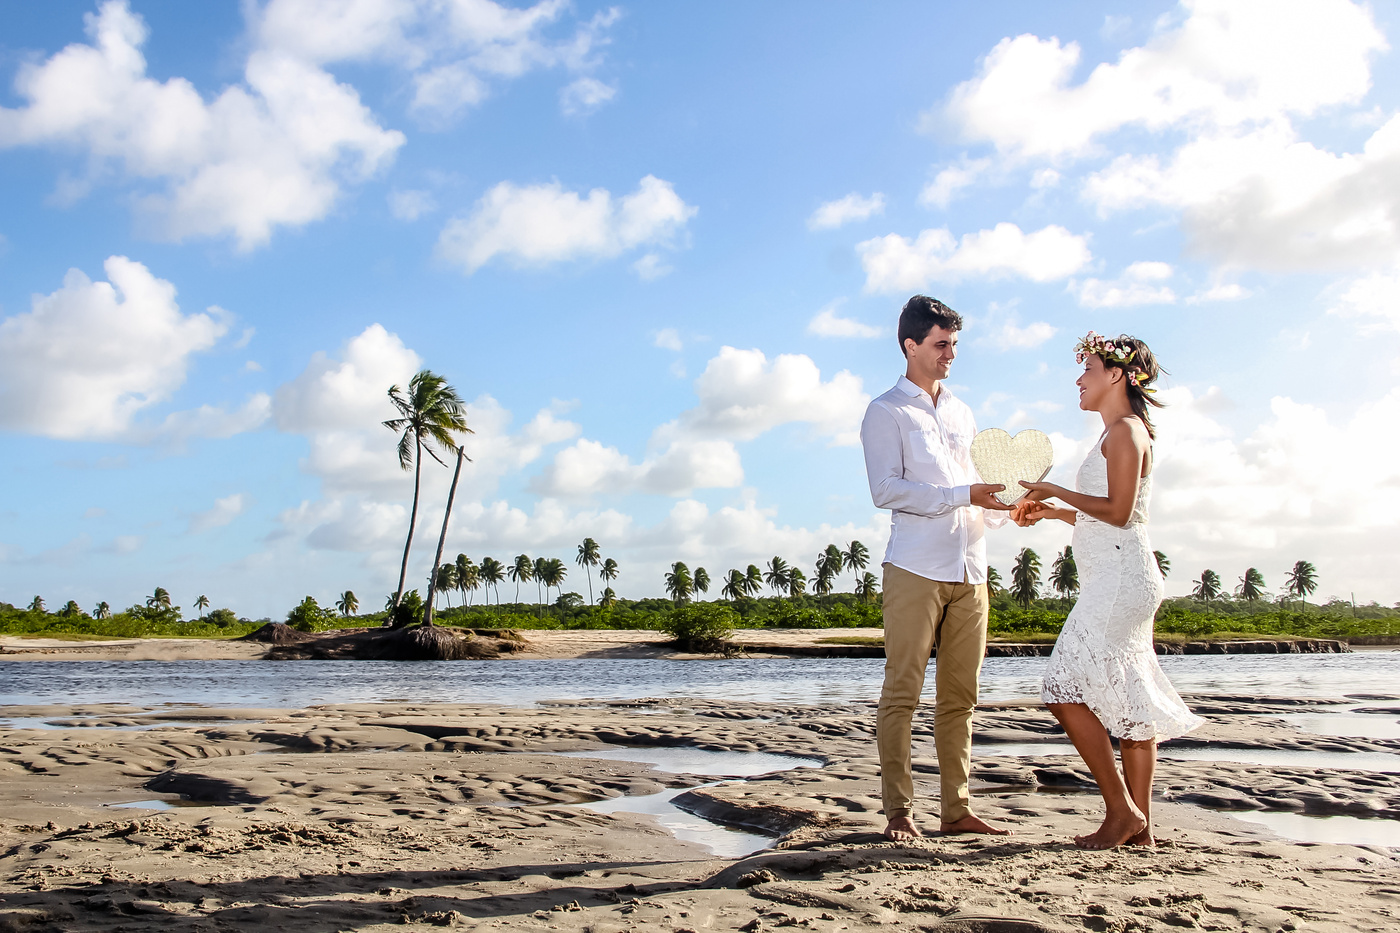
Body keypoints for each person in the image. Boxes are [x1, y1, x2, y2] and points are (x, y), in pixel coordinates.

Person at [1013, 332, 1203, 849]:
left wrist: (1054, 488)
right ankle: (1140, 829)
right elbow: (1112, 514)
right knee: (1131, 701)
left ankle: (1122, 811)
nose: (1079, 379)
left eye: (1088, 369)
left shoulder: (1123, 431)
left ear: (1116, 374)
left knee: (1061, 689)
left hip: (1119, 581)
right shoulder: (1121, 431)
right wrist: (1054, 512)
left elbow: (1119, 512)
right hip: (1121, 575)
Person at [859, 295, 1014, 841]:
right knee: (902, 693)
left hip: (972, 569)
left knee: (960, 699)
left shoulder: (962, 412)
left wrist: (1005, 509)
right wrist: (961, 494)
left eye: (954, 344)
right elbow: (886, 490)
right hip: (914, 567)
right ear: (911, 345)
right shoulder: (885, 411)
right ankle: (899, 812)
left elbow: (975, 487)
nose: (951, 354)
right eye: (941, 344)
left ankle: (957, 811)